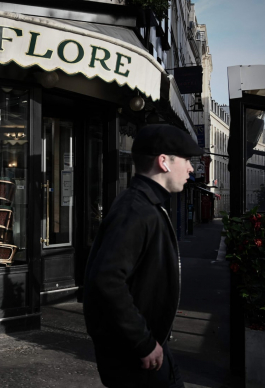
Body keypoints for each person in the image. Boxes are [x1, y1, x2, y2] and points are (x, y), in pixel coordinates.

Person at [83, 124, 203, 388]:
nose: (191, 169)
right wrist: (143, 342)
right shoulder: (137, 209)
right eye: (186, 160)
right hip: (136, 353)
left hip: (148, 346)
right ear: (164, 162)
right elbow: (107, 280)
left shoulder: (145, 205)